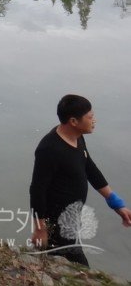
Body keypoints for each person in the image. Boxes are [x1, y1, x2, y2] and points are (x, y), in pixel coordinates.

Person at [30, 94, 131, 265]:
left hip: (71, 218)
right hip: (56, 222)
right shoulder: (49, 149)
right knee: (80, 267)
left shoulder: (77, 137)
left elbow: (89, 168)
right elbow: (37, 190)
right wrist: (40, 228)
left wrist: (116, 203)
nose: (94, 121)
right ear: (73, 121)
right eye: (90, 117)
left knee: (58, 262)